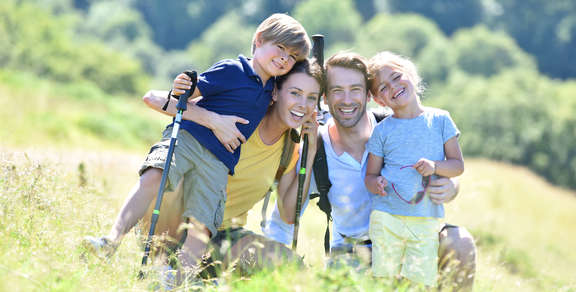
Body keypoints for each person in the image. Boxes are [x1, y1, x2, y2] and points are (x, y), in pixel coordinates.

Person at [83, 13, 311, 275]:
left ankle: (179, 279)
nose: (284, 58)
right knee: (155, 176)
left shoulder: (273, 88)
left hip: (219, 161)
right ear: (258, 41)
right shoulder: (232, 69)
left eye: (292, 56)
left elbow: (301, 101)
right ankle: (111, 241)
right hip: (190, 139)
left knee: (202, 224)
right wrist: (189, 93)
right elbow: (190, 93)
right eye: (280, 48)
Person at [264, 52, 476, 291]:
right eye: (337, 90)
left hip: (408, 238)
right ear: (324, 97)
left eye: (355, 89)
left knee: (460, 243)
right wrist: (310, 152)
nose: (346, 100)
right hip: (352, 253)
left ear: (368, 95)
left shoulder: (396, 125)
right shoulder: (318, 146)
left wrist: (451, 187)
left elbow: (443, 167)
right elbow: (287, 216)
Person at [364, 51, 464, 287]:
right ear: (380, 101)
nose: (393, 87)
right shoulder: (382, 131)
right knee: (384, 279)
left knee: (419, 280)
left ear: (410, 73)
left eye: (397, 77)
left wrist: (435, 166)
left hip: (426, 217)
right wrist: (374, 184)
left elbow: (457, 166)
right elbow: (370, 175)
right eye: (383, 88)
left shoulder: (440, 120)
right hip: (386, 215)